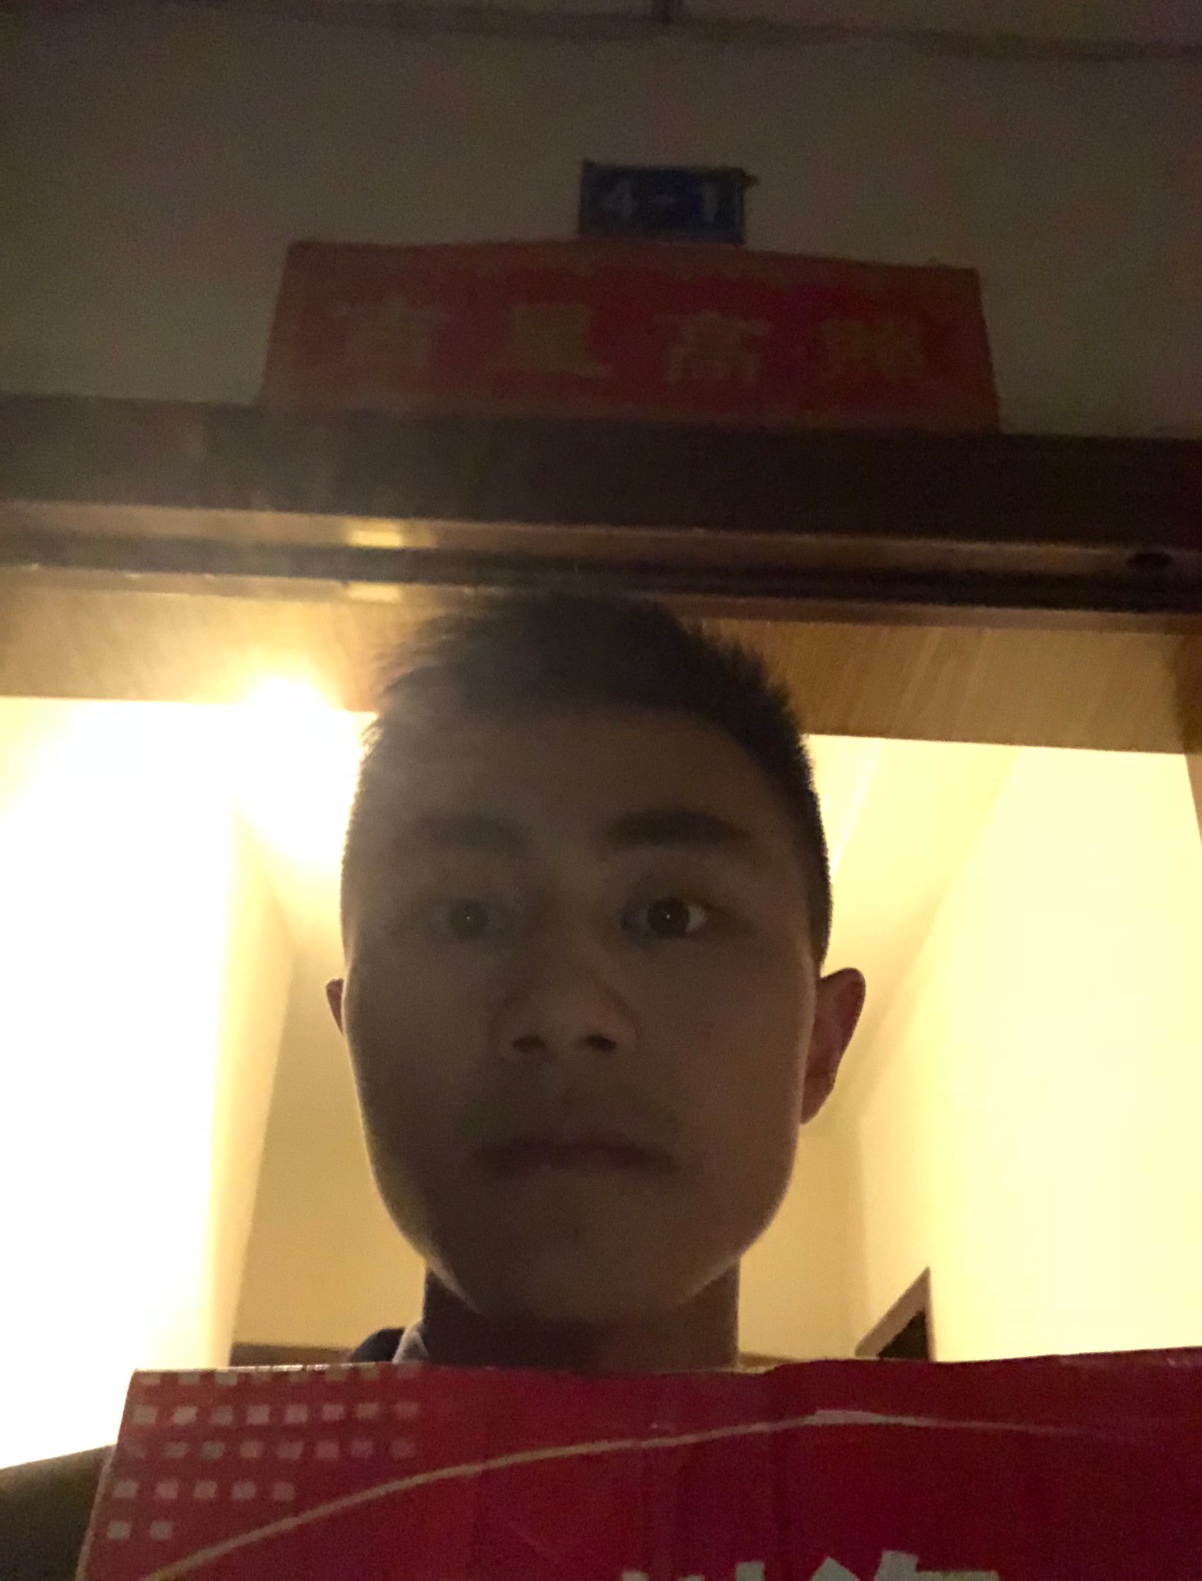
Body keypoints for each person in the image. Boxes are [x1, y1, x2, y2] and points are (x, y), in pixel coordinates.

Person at [0, 591, 865, 1577]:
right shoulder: (54, 1548)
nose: (561, 1008)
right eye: (463, 916)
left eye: (670, 915)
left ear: (819, 1044)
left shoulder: (989, 1536)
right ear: (353, 1035)